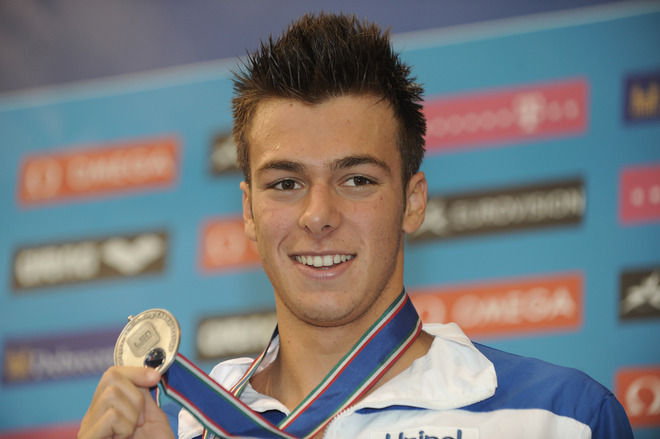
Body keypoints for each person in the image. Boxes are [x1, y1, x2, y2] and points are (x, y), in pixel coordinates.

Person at [78, 12, 633, 439]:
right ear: (248, 211)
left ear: (413, 202)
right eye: (286, 183)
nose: (318, 215)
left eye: (358, 179)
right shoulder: (185, 424)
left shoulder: (560, 418)